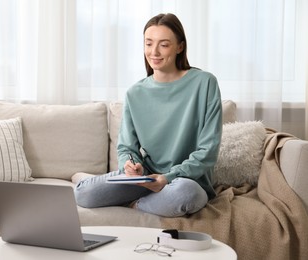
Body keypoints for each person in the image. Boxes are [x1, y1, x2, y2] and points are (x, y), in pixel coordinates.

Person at [74, 13, 222, 218]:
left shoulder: (204, 83)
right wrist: (131, 165)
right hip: (145, 178)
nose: (154, 52)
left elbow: (208, 151)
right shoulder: (135, 93)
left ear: (180, 47)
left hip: (185, 181)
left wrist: (167, 177)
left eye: (164, 45)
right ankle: (89, 180)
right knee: (83, 193)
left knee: (188, 195)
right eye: (149, 43)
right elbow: (127, 147)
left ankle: (137, 204)